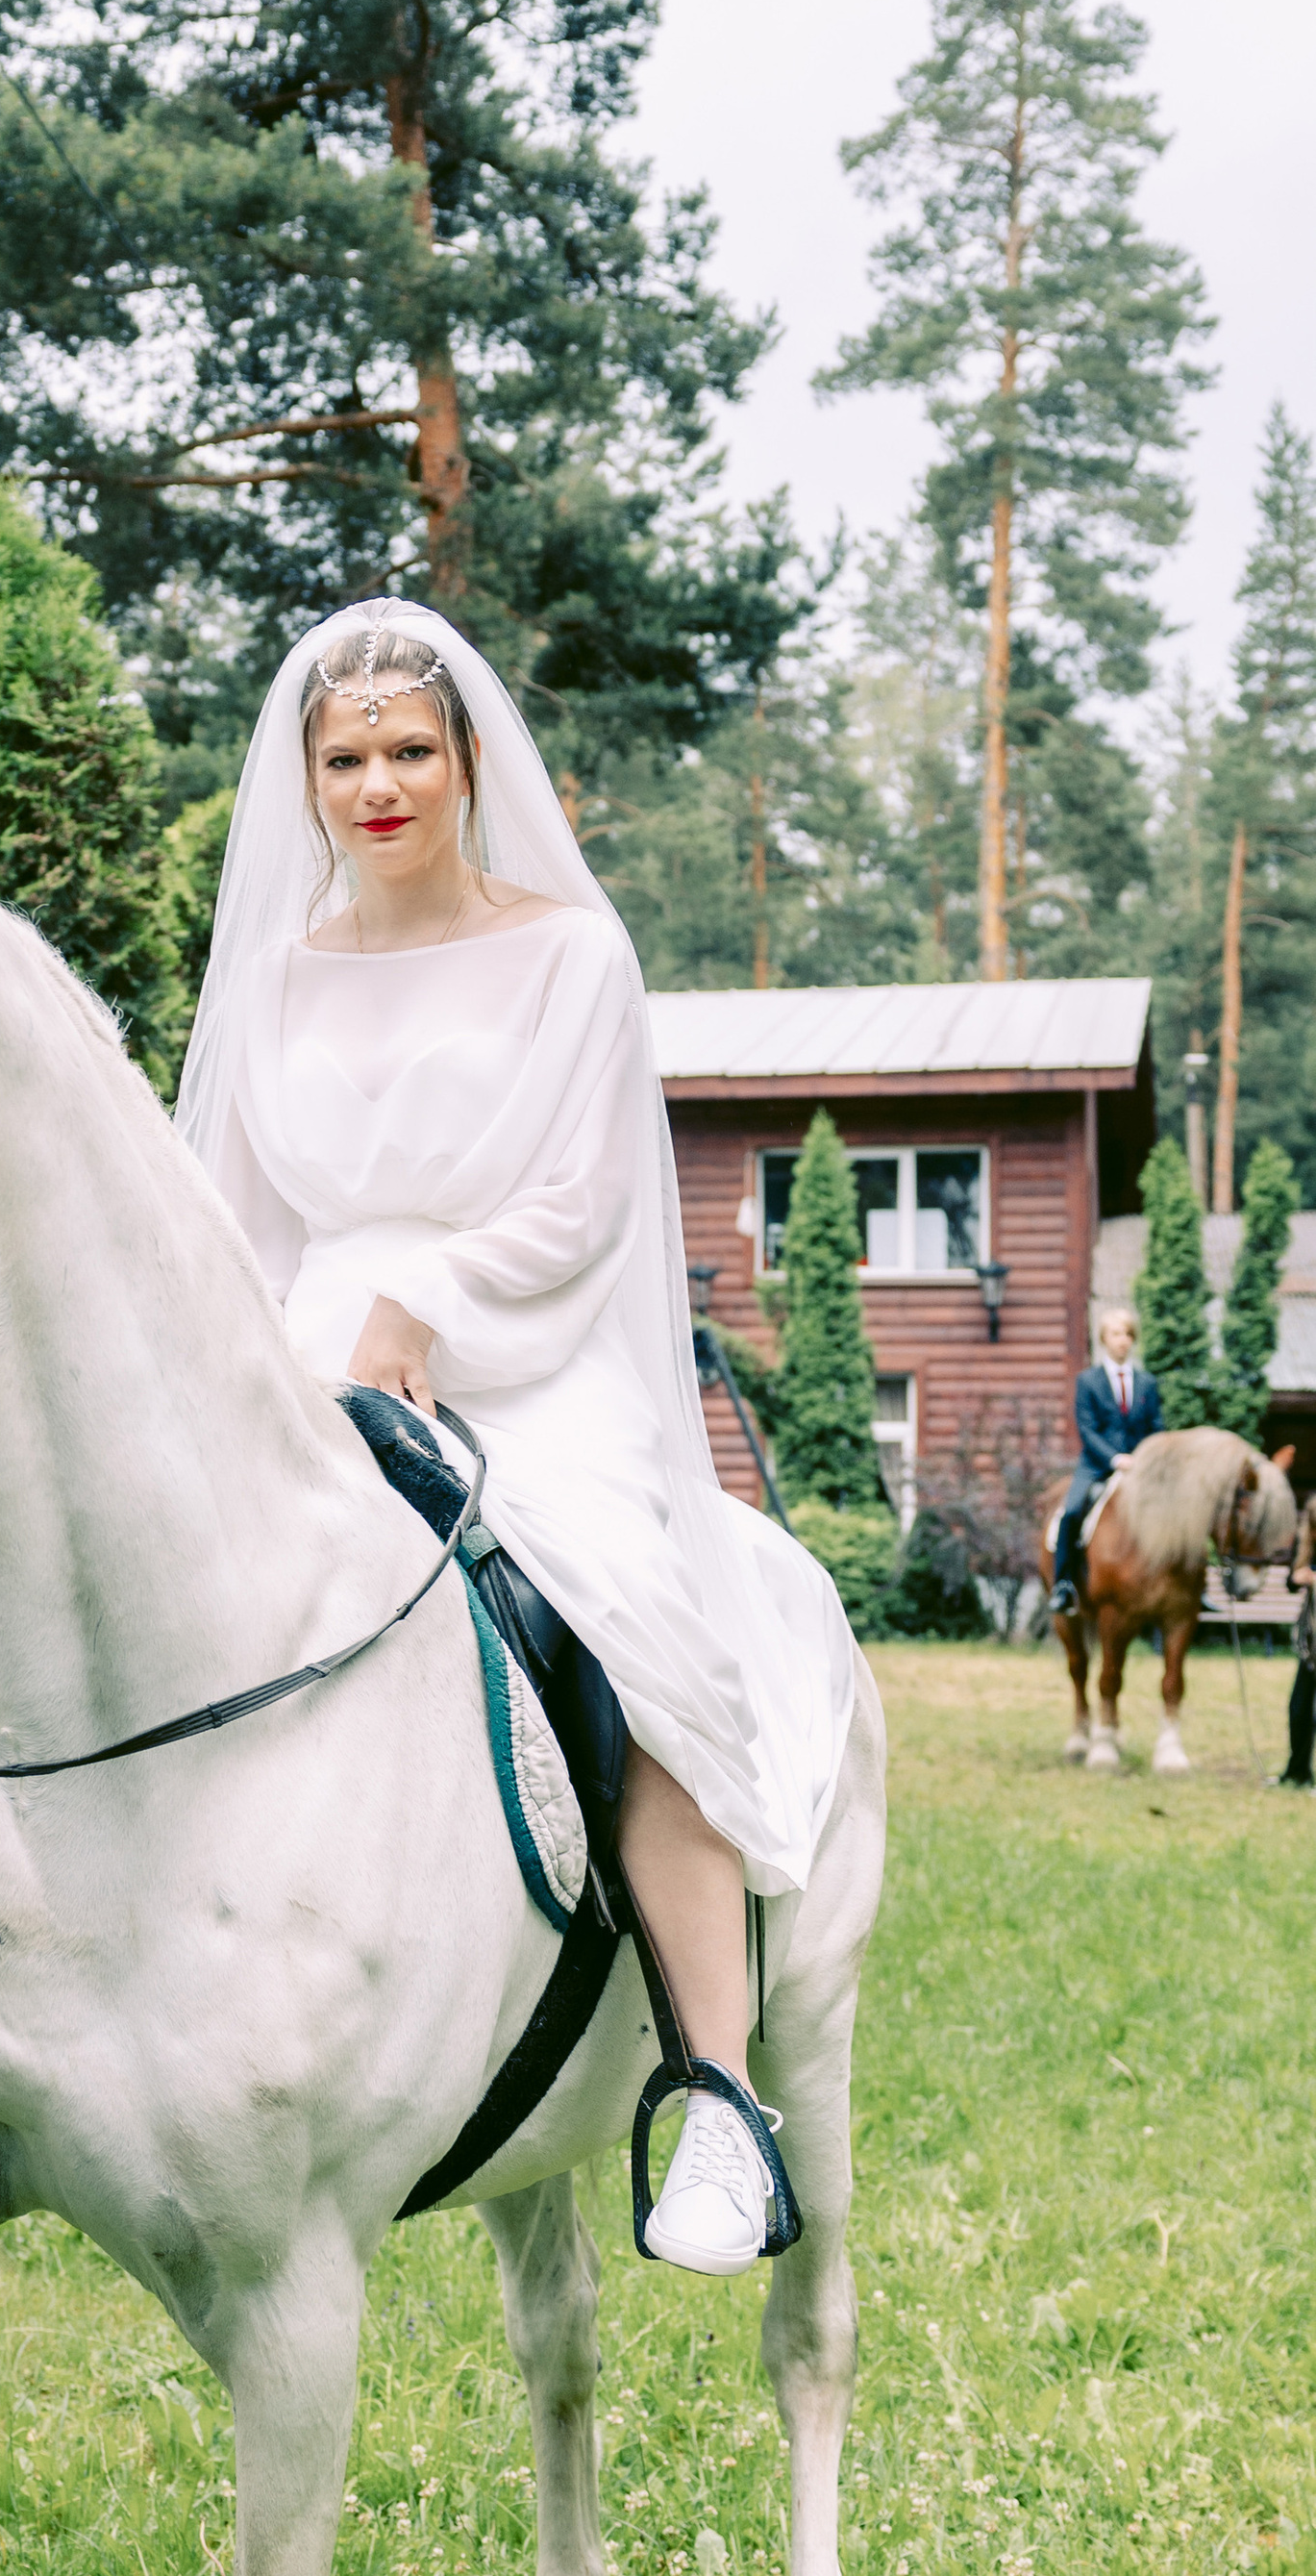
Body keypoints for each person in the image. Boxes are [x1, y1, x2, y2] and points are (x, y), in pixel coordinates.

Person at [176, 603, 857, 2277]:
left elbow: (582, 1205)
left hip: (528, 1353)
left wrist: (425, 1308)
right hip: (312, 1350)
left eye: (410, 750)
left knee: (628, 1631)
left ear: (471, 762)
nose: (379, 784)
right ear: (307, 783)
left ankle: (713, 2090)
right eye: (346, 759)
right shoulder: (268, 977)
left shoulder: (570, 953)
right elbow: (240, 1221)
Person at [1051, 1309, 1161, 1617]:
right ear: (1104, 1339)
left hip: (1141, 1467)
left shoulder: (1147, 1383)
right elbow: (1086, 1428)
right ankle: (1064, 1585)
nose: (1122, 1341)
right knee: (1071, 1512)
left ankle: (1196, 1586)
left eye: (1127, 1334)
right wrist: (1115, 1458)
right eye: (1116, 1334)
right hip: (1097, 1464)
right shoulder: (1088, 1381)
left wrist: (1144, 1458)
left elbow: (1156, 1425)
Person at [1280, 1494, 1316, 1791]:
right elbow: (1290, 1583)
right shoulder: (1307, 1545)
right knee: (1298, 1709)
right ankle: (1297, 1771)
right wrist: (1299, 1576)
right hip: (1311, 1644)